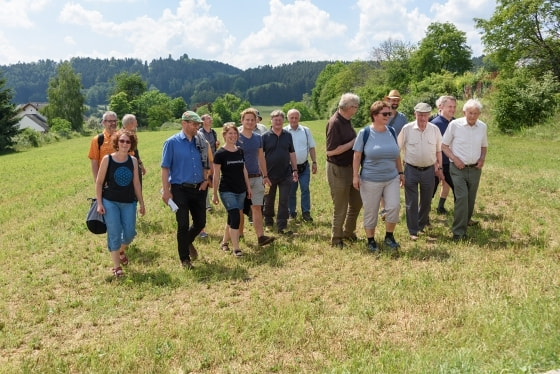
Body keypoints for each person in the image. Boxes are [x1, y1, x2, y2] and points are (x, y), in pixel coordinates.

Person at [161, 111, 213, 269]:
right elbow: (165, 168)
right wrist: (166, 190)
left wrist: (206, 180)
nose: (197, 127)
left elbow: (207, 163)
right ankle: (185, 259)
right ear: (184, 123)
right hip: (179, 189)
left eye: (198, 124)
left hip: (199, 188)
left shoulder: (201, 141)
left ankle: (187, 241)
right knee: (183, 224)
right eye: (194, 124)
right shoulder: (171, 142)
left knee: (200, 223)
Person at [352, 100, 404, 254]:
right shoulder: (365, 133)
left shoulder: (392, 131)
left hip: (391, 178)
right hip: (370, 179)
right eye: (385, 113)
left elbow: (396, 155)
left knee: (394, 206)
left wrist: (401, 173)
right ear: (374, 115)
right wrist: (355, 176)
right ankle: (371, 240)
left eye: (390, 113)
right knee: (371, 210)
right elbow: (357, 155)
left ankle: (389, 236)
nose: (388, 116)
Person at [95, 129, 145, 278]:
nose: (124, 144)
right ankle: (116, 267)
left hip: (129, 202)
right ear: (117, 142)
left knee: (130, 233)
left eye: (128, 142)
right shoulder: (107, 159)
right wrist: (99, 203)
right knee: (114, 233)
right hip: (110, 202)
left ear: (131, 145)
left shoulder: (133, 161)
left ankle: (120, 250)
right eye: (122, 141)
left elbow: (136, 183)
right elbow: (99, 183)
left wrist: (141, 203)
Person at [442, 99, 488, 241]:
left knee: (470, 198)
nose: (472, 116)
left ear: (479, 114)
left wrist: (482, 159)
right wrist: (455, 159)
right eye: (470, 113)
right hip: (457, 168)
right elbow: (444, 146)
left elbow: (484, 146)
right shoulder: (454, 125)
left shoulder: (482, 127)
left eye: (475, 113)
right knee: (461, 197)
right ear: (464, 112)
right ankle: (458, 232)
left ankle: (465, 222)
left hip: (474, 169)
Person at [398, 103, 444, 241]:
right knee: (411, 201)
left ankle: (421, 226)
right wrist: (399, 171)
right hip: (411, 169)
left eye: (425, 115)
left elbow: (438, 150)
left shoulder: (434, 130)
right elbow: (397, 149)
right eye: (420, 115)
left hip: (429, 170)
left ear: (429, 115)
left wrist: (439, 168)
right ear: (415, 114)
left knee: (426, 201)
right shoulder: (407, 129)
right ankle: (412, 231)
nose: (422, 118)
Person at [326, 93, 362, 248]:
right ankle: (336, 239)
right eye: (356, 106)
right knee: (340, 206)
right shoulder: (335, 123)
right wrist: (354, 142)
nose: (357, 109)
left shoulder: (346, 121)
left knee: (357, 202)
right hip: (338, 170)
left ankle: (348, 232)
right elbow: (330, 151)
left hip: (350, 168)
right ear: (350, 107)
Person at [236, 108, 275, 246]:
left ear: (256, 121)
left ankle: (261, 237)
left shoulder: (258, 138)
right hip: (240, 179)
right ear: (242, 121)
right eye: (247, 119)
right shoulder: (236, 138)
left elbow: (261, 157)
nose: (250, 122)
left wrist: (265, 175)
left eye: (252, 120)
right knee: (239, 209)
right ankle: (239, 234)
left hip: (257, 177)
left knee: (257, 208)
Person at [212, 123, 251, 257]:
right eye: (230, 133)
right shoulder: (220, 154)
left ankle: (224, 242)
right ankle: (236, 249)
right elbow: (216, 175)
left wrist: (248, 187)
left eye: (235, 133)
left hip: (241, 190)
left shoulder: (240, 151)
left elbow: (244, 169)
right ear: (224, 135)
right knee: (235, 216)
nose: (233, 136)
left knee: (232, 217)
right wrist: (214, 194)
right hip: (226, 190)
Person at [262, 110, 298, 235]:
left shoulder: (288, 135)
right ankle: (268, 222)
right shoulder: (265, 136)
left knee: (284, 200)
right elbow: (260, 156)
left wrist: (295, 170)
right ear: (271, 121)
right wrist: (263, 174)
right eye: (275, 119)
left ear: (283, 121)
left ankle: (282, 224)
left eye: (280, 119)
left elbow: (292, 153)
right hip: (269, 175)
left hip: (285, 174)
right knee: (269, 199)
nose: (278, 122)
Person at [284, 108, 318, 222]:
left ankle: (306, 213)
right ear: (288, 118)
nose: (294, 120)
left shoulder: (306, 131)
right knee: (291, 191)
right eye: (291, 117)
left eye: (296, 117)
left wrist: (314, 162)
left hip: (304, 166)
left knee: (305, 189)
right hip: (289, 168)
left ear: (299, 118)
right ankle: (291, 213)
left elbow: (311, 147)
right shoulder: (284, 131)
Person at [431, 96, 457, 214]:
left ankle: (461, 217)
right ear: (441, 107)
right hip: (436, 164)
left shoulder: (455, 123)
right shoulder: (434, 124)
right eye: (450, 107)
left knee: (459, 190)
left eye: (454, 107)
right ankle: (423, 217)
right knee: (430, 191)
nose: (452, 109)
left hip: (451, 163)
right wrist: (436, 165)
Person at [198, 114, 220, 238]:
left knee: (214, 180)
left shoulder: (213, 132)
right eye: (208, 118)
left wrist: (216, 145)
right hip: (203, 161)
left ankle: (214, 197)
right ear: (203, 121)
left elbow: (214, 147)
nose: (210, 120)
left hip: (213, 159)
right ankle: (207, 205)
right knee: (205, 182)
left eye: (211, 118)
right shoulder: (200, 133)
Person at [88, 111, 118, 182]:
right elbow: (94, 161)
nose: (113, 123)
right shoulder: (97, 139)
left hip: (122, 177)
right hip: (105, 179)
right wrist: (97, 181)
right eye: (110, 121)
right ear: (104, 122)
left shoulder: (122, 138)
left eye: (115, 121)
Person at [122, 114, 146, 185]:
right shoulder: (120, 137)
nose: (137, 124)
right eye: (136, 122)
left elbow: (136, 152)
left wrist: (141, 165)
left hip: (135, 166)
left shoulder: (133, 135)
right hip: (125, 168)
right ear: (130, 123)